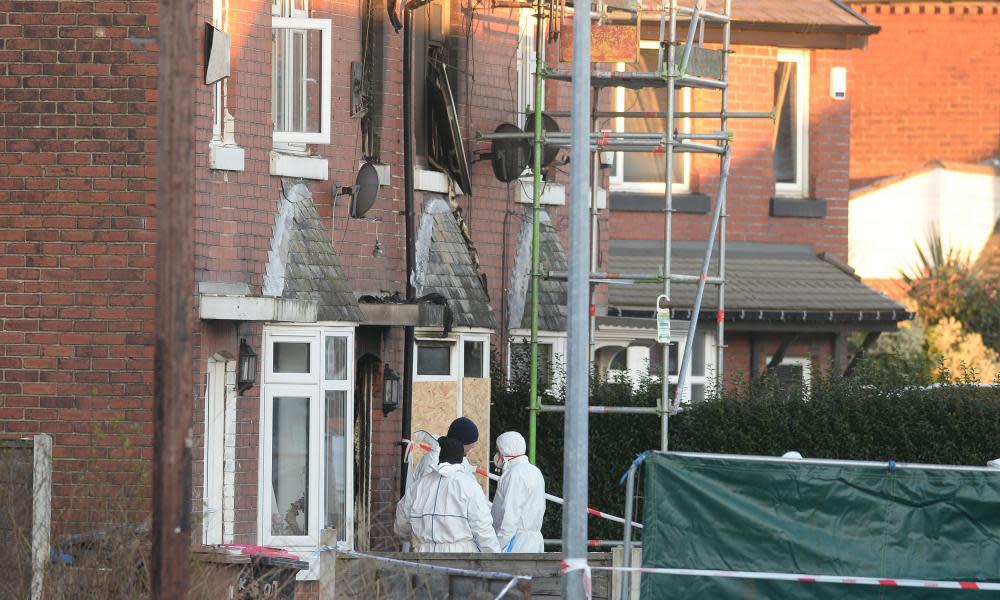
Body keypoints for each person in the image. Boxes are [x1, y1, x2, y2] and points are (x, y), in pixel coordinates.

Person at [395, 436, 501, 552]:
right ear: (461, 458)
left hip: (424, 556)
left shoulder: (418, 486)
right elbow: (482, 527)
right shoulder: (469, 486)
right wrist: (493, 557)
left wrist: (405, 537)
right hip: (461, 557)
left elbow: (401, 524)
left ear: (440, 456)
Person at [491, 431, 545, 552]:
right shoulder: (535, 471)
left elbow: (510, 515)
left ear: (505, 452)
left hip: (515, 543)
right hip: (533, 543)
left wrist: (496, 547)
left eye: (498, 451)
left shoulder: (514, 474)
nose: (496, 455)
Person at [406, 416, 480, 496]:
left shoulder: (462, 460)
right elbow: (423, 496)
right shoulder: (432, 460)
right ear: (461, 442)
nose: (473, 446)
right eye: (471, 442)